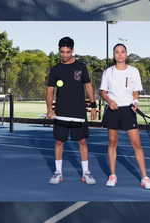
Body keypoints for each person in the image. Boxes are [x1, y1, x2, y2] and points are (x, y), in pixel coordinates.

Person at [100, 43, 150, 189]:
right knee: (112, 143)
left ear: (126, 54)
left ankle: (145, 177)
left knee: (136, 144)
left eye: (122, 52)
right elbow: (103, 92)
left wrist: (135, 102)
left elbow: (135, 92)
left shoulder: (134, 71)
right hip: (112, 110)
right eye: (117, 52)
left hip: (128, 111)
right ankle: (112, 175)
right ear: (113, 55)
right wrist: (110, 101)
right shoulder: (107, 72)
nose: (120, 54)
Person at [46, 37, 97, 185]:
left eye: (68, 52)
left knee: (82, 141)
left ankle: (86, 173)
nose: (65, 55)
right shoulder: (55, 69)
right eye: (62, 52)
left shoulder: (81, 67)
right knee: (59, 141)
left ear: (72, 50)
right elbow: (50, 91)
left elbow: (88, 86)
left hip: (78, 111)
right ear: (59, 51)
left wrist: (93, 106)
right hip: (61, 111)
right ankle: (58, 173)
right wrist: (49, 109)